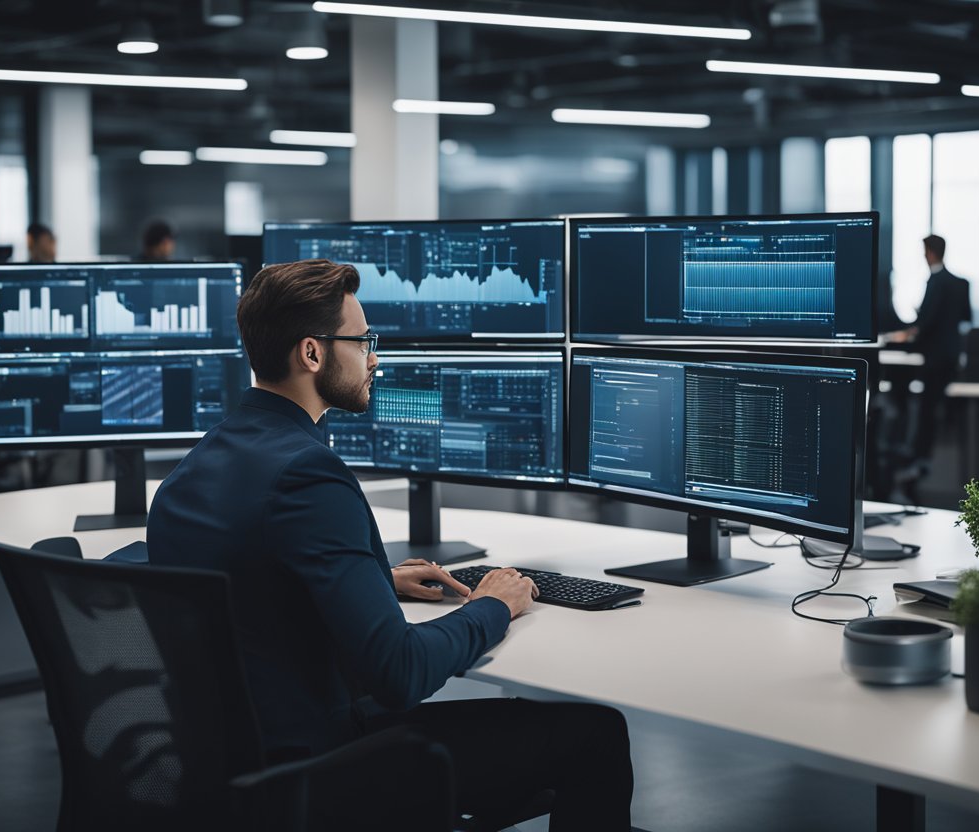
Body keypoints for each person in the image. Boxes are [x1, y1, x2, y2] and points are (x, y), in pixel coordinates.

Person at [147, 259, 634, 830]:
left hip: (227, 765)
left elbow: (252, 584)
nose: (373, 358)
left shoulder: (196, 465)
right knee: (595, 734)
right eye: (362, 341)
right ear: (312, 353)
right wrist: (492, 606)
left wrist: (375, 582)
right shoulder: (310, 473)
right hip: (315, 771)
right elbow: (398, 673)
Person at [888, 234, 972, 477]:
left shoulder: (936, 282)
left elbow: (927, 321)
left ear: (930, 252)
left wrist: (909, 332)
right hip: (951, 353)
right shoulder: (960, 283)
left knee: (926, 408)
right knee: (937, 406)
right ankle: (927, 453)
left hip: (934, 355)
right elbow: (965, 316)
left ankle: (921, 456)